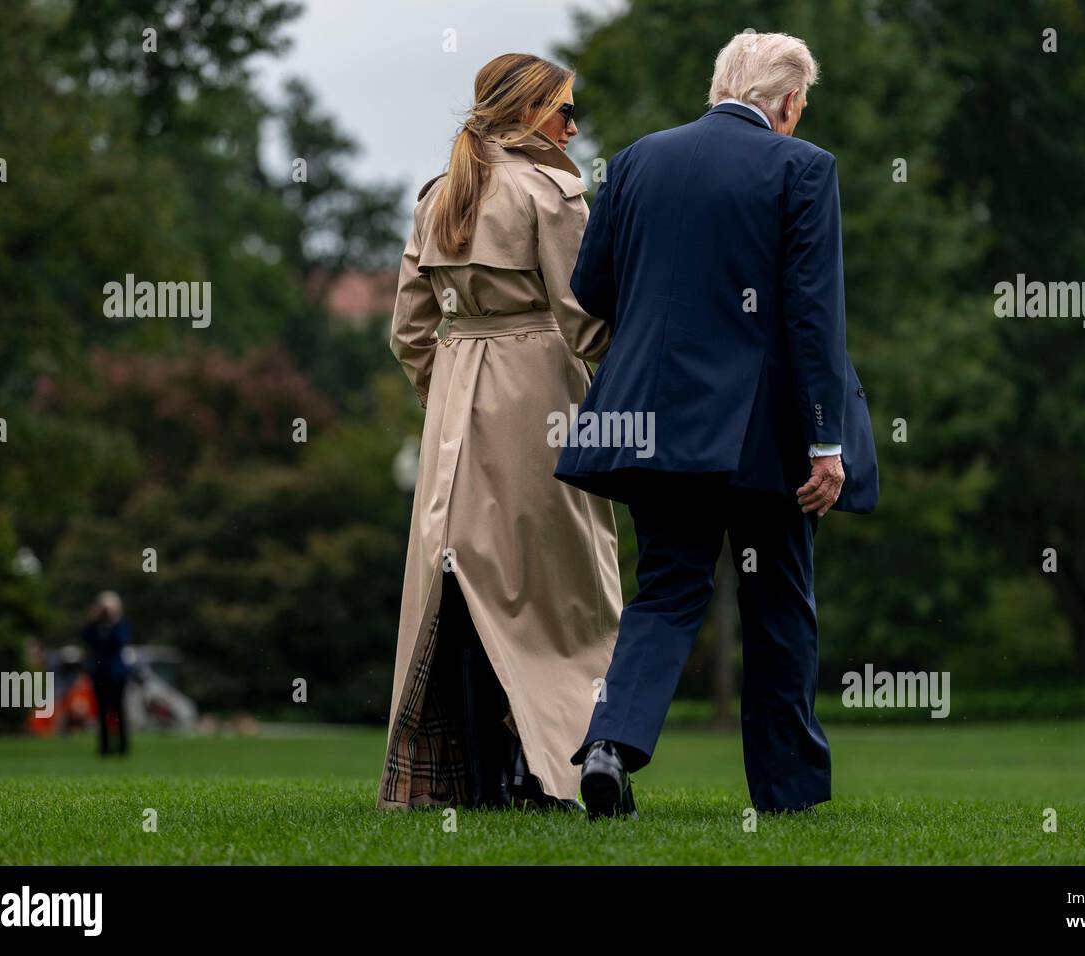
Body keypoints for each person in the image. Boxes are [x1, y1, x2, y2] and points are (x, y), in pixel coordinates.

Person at [555, 32, 880, 818]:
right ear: (791, 102)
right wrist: (826, 443)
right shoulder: (804, 168)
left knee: (665, 592)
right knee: (777, 605)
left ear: (720, 85)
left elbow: (592, 288)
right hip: (762, 436)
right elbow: (812, 318)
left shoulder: (635, 160)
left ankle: (609, 747)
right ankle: (788, 794)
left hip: (651, 425)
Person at [377, 53, 623, 812]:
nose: (573, 127)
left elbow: (410, 331)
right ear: (525, 113)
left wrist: (451, 390)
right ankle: (553, 766)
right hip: (539, 390)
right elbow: (587, 324)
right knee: (560, 589)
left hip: (457, 395)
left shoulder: (439, 194)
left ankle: (473, 777)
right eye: (562, 111)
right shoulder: (552, 191)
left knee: (460, 584)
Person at [81, 591, 132, 756]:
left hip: (117, 675)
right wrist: (93, 619)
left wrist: (114, 621)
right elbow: (85, 637)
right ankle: (104, 748)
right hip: (99, 674)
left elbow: (121, 641)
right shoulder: (95, 626)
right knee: (101, 712)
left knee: (119, 711)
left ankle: (123, 748)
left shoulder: (121, 624)